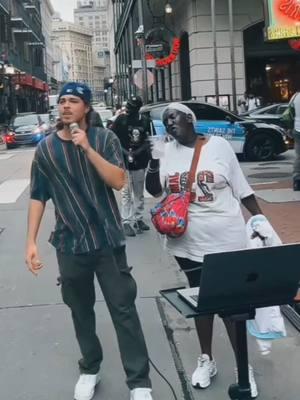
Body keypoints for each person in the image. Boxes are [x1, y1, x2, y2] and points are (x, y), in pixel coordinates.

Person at [25, 82, 154, 400]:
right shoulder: (46, 150)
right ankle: (90, 369)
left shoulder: (104, 138)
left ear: (86, 107)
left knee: (123, 309)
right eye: (62, 101)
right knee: (80, 310)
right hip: (70, 245)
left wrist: (87, 148)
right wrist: (31, 242)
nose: (65, 106)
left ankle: (139, 382)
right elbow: (38, 196)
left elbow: (119, 180)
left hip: (108, 241)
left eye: (73, 101)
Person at [145, 102, 264, 398]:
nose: (169, 122)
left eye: (174, 117)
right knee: (202, 300)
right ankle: (206, 359)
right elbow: (154, 191)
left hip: (226, 240)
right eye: (165, 119)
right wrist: (152, 159)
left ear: (190, 119)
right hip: (186, 243)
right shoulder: (166, 150)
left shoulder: (219, 146)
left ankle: (242, 366)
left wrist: (261, 219)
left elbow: (242, 187)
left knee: (231, 306)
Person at [112, 96, 151, 237]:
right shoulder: (120, 120)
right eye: (127, 105)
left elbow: (148, 140)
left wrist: (137, 152)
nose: (128, 109)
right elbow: (113, 139)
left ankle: (138, 219)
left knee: (139, 192)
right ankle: (126, 221)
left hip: (140, 161)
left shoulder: (145, 121)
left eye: (131, 107)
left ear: (138, 108)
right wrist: (124, 152)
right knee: (126, 193)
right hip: (124, 163)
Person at [288, 92, 300, 191]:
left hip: (297, 129)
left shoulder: (295, 96)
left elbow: (289, 112)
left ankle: (297, 180)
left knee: (298, 155)